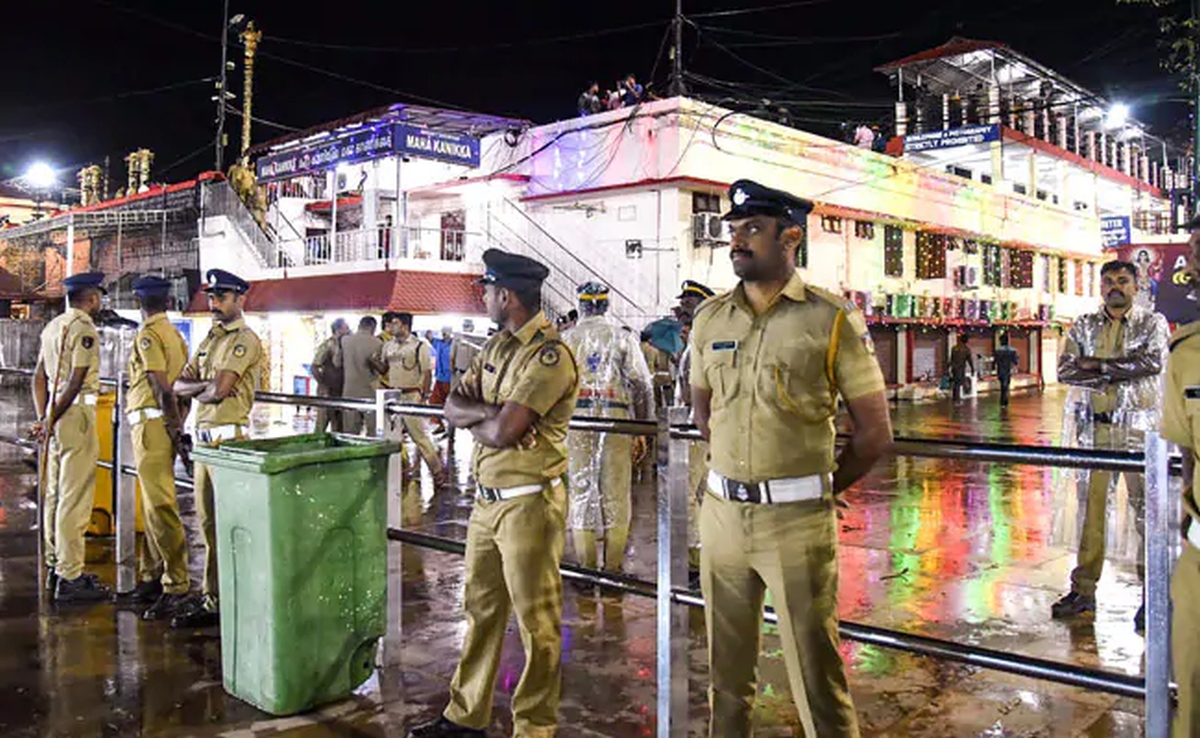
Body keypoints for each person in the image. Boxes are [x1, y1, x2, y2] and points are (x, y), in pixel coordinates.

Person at [689, 179, 892, 737]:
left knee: (814, 670)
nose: (737, 240)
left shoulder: (830, 319)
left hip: (797, 523)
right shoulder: (710, 319)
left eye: (752, 229)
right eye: (733, 230)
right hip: (724, 515)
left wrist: (820, 488)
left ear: (791, 238)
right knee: (725, 673)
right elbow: (704, 412)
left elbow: (874, 432)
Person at [408, 249, 580, 738]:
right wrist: (492, 415)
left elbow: (507, 431)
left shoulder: (549, 354)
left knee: (537, 625)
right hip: (486, 503)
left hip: (529, 504)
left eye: (486, 290)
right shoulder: (497, 349)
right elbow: (453, 406)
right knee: (480, 610)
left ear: (505, 295)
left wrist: (493, 420)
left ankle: (534, 728)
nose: (482, 297)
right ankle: (466, 716)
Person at [1051, 260, 1169, 630]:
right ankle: (1083, 590)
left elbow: (1152, 362)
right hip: (1096, 434)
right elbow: (1066, 370)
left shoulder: (1154, 323)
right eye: (1108, 281)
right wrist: (1117, 366)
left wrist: (1097, 367)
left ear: (1136, 286)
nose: (1115, 286)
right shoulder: (1084, 324)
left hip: (1140, 436)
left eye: (1122, 280)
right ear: (1100, 287)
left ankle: (1153, 596)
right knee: (1091, 515)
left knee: (1145, 515)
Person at [171, 269, 263, 629]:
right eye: (212, 296)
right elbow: (179, 384)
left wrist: (200, 386)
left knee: (230, 523)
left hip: (229, 439)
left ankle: (231, 596)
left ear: (240, 299)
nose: (214, 303)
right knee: (208, 524)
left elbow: (220, 390)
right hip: (205, 440)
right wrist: (202, 386)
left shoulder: (245, 339)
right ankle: (214, 596)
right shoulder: (210, 339)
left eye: (222, 297)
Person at [561, 281, 653, 574]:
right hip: (616, 424)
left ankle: (587, 567)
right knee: (616, 495)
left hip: (576, 425)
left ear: (580, 305)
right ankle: (613, 568)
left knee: (581, 493)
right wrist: (641, 430)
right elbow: (641, 386)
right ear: (606, 305)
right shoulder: (622, 339)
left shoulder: (565, 340)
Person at [30, 271, 110, 603]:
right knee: (74, 497)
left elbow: (38, 378)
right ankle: (70, 575)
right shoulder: (84, 329)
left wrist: (43, 417)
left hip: (56, 416)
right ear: (91, 299)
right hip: (74, 416)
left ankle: (55, 564)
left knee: (54, 493)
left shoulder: (52, 327)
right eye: (99, 297)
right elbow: (77, 381)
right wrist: (50, 419)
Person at [124, 275, 192, 620]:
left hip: (152, 425)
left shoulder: (149, 335)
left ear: (139, 301)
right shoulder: (176, 336)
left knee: (160, 505)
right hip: (163, 423)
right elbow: (182, 388)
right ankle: (151, 576)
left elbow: (164, 387)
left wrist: (174, 427)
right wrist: (179, 427)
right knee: (152, 503)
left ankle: (176, 583)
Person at [1162, 215, 1200, 736]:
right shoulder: (1186, 355)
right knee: (1191, 693)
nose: (1193, 259)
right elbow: (1185, 454)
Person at [674, 280, 716, 583]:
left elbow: (691, 393)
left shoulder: (699, 343)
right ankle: (704, 552)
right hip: (703, 428)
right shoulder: (701, 341)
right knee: (703, 492)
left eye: (687, 304)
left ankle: (695, 555)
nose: (681, 310)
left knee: (689, 494)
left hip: (693, 427)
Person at [374, 312, 445, 479]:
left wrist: (424, 396)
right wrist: (373, 362)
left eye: (395, 324)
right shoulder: (388, 346)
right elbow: (384, 369)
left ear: (405, 326)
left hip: (411, 395)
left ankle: (437, 471)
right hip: (392, 395)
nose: (391, 327)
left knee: (419, 436)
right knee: (390, 436)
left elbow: (426, 373)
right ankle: (393, 472)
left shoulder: (420, 346)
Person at [340, 316, 384, 435]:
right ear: (373, 327)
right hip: (370, 390)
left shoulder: (345, 340)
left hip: (349, 391)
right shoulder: (378, 343)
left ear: (359, 325)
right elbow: (381, 368)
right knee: (372, 431)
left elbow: (338, 362)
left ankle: (351, 453)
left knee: (350, 432)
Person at [311, 318, 349, 433]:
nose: (348, 330)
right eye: (346, 328)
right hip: (327, 390)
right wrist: (323, 384)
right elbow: (314, 366)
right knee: (322, 423)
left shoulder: (346, 345)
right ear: (338, 329)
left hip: (341, 390)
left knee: (339, 424)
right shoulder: (328, 345)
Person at [430, 326, 454, 435]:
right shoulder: (439, 343)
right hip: (439, 377)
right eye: (443, 332)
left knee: (450, 404)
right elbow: (430, 339)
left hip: (450, 379)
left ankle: (450, 428)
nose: (444, 334)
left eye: (446, 332)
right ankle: (440, 425)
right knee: (434, 402)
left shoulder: (455, 345)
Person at [993, 333, 1020, 407]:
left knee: (1003, 385)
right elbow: (1015, 361)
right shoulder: (1012, 350)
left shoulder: (997, 351)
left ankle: (1003, 401)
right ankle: (1005, 401)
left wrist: (993, 367)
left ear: (1001, 341)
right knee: (1006, 385)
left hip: (1000, 370)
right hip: (1008, 370)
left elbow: (994, 361)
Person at [949, 333, 974, 402]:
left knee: (955, 383)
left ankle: (955, 398)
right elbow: (970, 360)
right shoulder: (966, 349)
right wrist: (972, 369)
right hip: (960, 368)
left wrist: (949, 368)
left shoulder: (954, 348)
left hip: (954, 368)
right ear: (966, 340)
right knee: (958, 383)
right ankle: (957, 400)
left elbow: (951, 359)